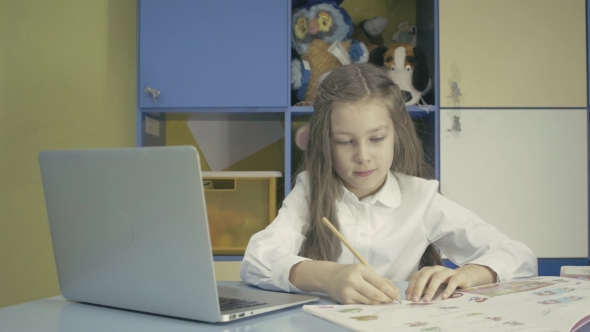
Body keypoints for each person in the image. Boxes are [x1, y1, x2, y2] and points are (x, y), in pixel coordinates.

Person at [240, 63, 537, 305]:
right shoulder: (310, 191)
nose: (363, 157)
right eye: (345, 142)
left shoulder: (421, 198)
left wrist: (469, 274)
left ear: (397, 134)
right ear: (325, 143)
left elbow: (519, 256)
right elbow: (256, 260)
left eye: (377, 139)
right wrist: (326, 277)